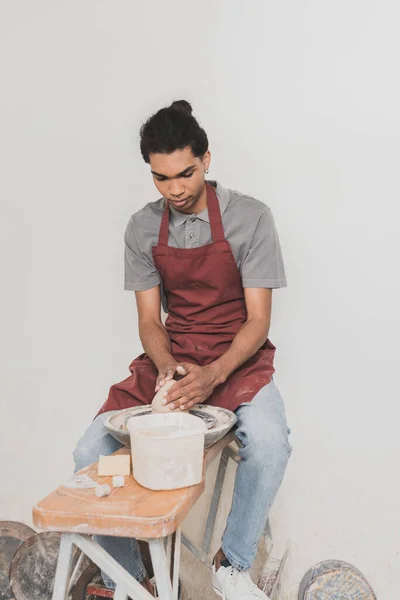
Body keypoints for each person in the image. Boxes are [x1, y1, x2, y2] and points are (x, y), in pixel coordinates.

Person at [73, 100, 292, 600]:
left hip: (238, 360)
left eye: (186, 173)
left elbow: (258, 323)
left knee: (271, 442)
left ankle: (232, 564)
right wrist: (170, 369)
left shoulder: (251, 218)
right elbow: (150, 321)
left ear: (207, 159)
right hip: (171, 357)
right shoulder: (141, 228)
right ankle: (130, 581)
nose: (175, 188)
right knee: (90, 450)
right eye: (161, 177)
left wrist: (213, 375)